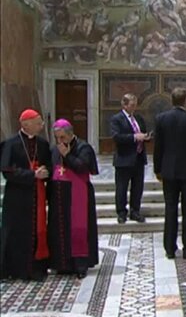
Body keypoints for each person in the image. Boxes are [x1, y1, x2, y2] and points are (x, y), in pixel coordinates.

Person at [154, 88, 186, 260]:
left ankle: (169, 247)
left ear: (172, 100)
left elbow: (158, 147)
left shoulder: (161, 118)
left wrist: (157, 169)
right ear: (185, 100)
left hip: (168, 170)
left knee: (170, 209)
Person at [0, 109, 52, 281]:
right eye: (38, 122)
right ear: (25, 124)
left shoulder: (43, 144)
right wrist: (32, 175)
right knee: (17, 232)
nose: (42, 125)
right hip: (17, 197)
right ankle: (16, 269)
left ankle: (37, 268)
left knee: (37, 230)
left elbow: (49, 166)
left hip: (37, 195)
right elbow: (7, 170)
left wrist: (46, 172)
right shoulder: (10, 144)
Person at [47, 119, 99, 278]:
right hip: (60, 197)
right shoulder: (55, 149)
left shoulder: (84, 147)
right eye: (56, 138)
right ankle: (60, 264)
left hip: (78, 195)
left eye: (62, 137)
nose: (59, 141)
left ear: (70, 135)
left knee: (79, 228)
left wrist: (67, 155)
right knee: (59, 229)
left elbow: (82, 166)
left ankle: (80, 264)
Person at [110, 93, 148, 223]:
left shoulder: (138, 118)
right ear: (124, 105)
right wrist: (134, 137)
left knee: (137, 187)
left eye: (135, 105)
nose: (134, 108)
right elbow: (116, 137)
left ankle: (135, 211)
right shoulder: (117, 119)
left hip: (138, 158)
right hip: (124, 158)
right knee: (122, 187)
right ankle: (121, 212)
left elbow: (142, 132)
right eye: (132, 105)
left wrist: (146, 137)